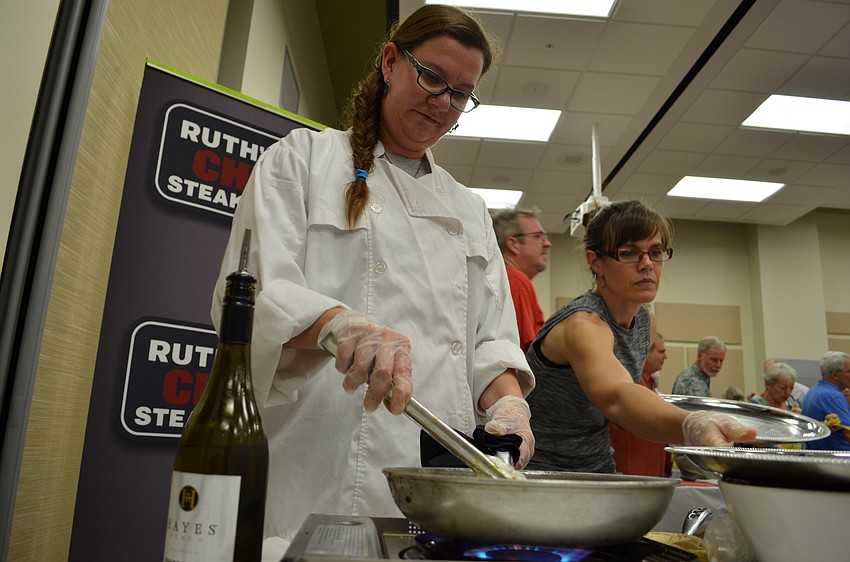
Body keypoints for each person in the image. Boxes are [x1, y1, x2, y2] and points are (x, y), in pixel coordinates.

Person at [211, 4, 535, 547]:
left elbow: (489, 342)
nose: (442, 103)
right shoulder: (303, 161)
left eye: (460, 94)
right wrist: (337, 324)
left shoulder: (469, 208)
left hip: (437, 477)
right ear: (390, 61)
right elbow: (255, 296)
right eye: (432, 77)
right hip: (322, 463)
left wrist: (509, 404)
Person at [524, 200, 755, 473]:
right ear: (595, 261)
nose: (647, 264)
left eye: (655, 252)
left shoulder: (646, 321)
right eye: (629, 253)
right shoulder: (583, 325)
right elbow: (617, 399)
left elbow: (634, 394)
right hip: (541, 472)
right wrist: (693, 424)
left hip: (597, 466)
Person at [609, 331, 671, 476]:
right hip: (633, 471)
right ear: (645, 352)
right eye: (661, 352)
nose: (665, 357)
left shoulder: (648, 382)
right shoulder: (632, 381)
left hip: (647, 471)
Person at [491, 207, 551, 351]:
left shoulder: (500, 279)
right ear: (513, 244)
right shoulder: (515, 281)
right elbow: (525, 354)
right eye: (538, 236)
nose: (547, 243)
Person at [802, 351, 850, 451]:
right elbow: (848, 434)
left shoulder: (813, 391)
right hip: (839, 460)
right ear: (835, 374)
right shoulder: (833, 396)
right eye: (849, 371)